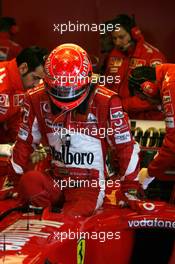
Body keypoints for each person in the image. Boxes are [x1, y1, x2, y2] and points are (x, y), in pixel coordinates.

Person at [8, 43, 140, 217]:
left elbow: (126, 147)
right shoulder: (35, 98)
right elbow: (24, 142)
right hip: (56, 178)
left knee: (73, 216)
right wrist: (13, 182)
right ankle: (45, 218)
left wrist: (130, 189)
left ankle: (54, 220)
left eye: (70, 88)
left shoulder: (107, 101)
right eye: (59, 88)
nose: (65, 93)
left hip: (89, 184)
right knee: (29, 182)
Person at [101, 14, 166, 120]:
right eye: (114, 38)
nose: (117, 42)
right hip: (119, 117)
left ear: (134, 34)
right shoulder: (113, 54)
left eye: (121, 37)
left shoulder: (153, 56)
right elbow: (107, 85)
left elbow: (156, 97)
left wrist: (121, 105)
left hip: (148, 121)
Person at [128, 64, 175, 189]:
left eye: (144, 98)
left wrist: (149, 173)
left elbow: (173, 144)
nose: (149, 102)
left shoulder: (170, 85)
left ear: (149, 88)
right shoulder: (169, 73)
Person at [0, 46, 48, 143]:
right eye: (35, 78)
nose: (36, 84)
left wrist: (20, 144)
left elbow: (15, 121)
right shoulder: (3, 86)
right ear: (23, 68)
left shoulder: (20, 86)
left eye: (40, 80)